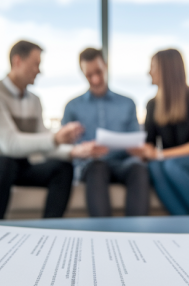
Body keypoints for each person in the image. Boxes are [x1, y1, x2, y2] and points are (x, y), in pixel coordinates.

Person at [0, 40, 94, 220]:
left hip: (17, 166)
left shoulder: (34, 100)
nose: (39, 71)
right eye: (36, 64)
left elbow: (43, 142)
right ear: (18, 61)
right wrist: (55, 139)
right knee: (4, 163)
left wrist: (75, 151)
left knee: (62, 168)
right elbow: (10, 144)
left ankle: (50, 229)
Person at [128, 49, 189, 215]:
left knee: (170, 165)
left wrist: (159, 155)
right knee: (154, 167)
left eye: (153, 67)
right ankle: (184, 225)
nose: (148, 72)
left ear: (166, 69)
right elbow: (149, 144)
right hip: (170, 163)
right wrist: (137, 150)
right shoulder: (152, 104)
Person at [62, 48, 150, 217]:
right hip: (92, 166)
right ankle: (102, 234)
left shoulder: (128, 103)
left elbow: (135, 140)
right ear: (82, 73)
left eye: (99, 72)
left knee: (138, 168)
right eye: (89, 75)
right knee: (97, 167)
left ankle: (136, 234)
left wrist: (138, 149)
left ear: (106, 66)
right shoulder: (72, 107)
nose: (95, 79)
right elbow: (64, 148)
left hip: (123, 163)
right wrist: (80, 148)